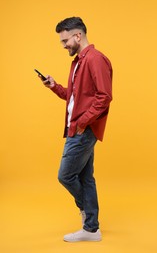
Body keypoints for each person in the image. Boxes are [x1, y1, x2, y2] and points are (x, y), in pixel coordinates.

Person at [41, 17, 113, 242]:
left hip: (82, 130)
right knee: (86, 178)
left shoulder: (95, 60)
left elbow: (105, 97)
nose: (63, 46)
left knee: (66, 175)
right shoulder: (79, 62)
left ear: (78, 36)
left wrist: (83, 122)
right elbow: (73, 98)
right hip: (76, 127)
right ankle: (92, 229)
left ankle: (88, 217)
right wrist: (54, 87)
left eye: (65, 41)